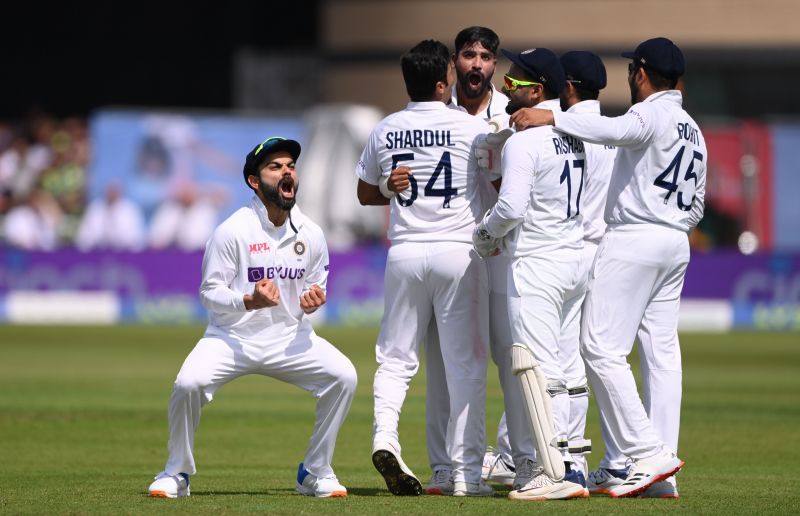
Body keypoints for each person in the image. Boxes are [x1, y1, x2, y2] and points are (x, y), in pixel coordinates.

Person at [510, 37, 705, 498]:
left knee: (598, 347)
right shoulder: (693, 128)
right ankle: (658, 473)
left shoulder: (651, 112)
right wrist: (671, 227)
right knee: (661, 355)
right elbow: (697, 204)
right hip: (676, 242)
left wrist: (552, 116)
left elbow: (615, 130)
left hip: (635, 236)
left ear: (640, 73)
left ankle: (646, 453)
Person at [147, 136, 357, 499]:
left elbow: (314, 287)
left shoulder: (312, 234)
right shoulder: (232, 230)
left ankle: (314, 470)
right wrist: (248, 300)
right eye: (275, 167)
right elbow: (209, 294)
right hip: (231, 339)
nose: (287, 172)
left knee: (344, 377)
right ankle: (176, 471)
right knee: (187, 385)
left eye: (290, 165)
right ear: (254, 181)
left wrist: (311, 301)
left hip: (290, 338)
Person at [356, 39, 494, 497]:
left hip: (406, 253)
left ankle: (385, 438)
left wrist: (389, 187)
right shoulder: (469, 127)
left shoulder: (386, 128)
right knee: (465, 366)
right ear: (443, 82)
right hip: (458, 252)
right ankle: (467, 476)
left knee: (395, 360)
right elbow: (497, 183)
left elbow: (365, 194)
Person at [472, 47, 589, 501]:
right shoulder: (573, 134)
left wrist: (483, 237)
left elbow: (511, 208)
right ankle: (569, 463)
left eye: (516, 79)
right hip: (572, 259)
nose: (506, 83)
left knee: (534, 367)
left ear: (537, 89)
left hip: (537, 262)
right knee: (562, 365)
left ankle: (549, 471)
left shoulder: (526, 139)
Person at [423, 26, 521, 495]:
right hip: (452, 253)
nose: (477, 64)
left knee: (512, 358)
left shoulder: (514, 114)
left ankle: (510, 455)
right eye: (468, 55)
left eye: (485, 56)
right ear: (454, 63)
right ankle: (445, 467)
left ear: (495, 65)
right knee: (446, 367)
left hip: (503, 256)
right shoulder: (432, 116)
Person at [550, 51, 617, 494]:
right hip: (605, 250)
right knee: (577, 357)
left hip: (569, 248)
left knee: (558, 357)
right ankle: (575, 451)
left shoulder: (568, 125)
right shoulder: (614, 131)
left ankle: (564, 455)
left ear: (569, 86)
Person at [75, 183, 146, 251]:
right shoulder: (95, 208)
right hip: (97, 253)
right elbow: (84, 237)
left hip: (124, 254)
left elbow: (136, 239)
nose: (112, 194)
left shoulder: (130, 209)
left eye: (114, 191)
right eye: (110, 191)